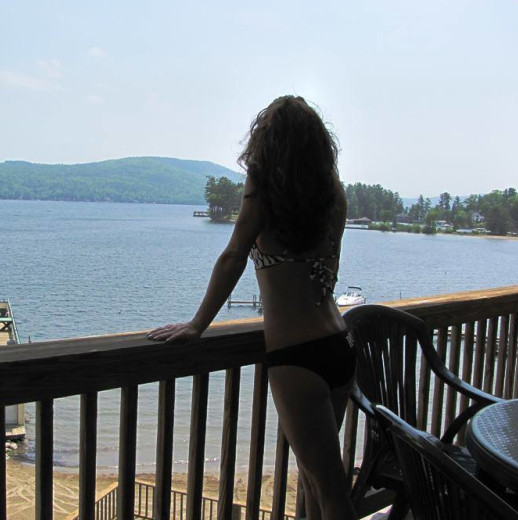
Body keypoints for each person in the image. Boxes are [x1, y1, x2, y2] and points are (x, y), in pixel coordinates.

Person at [147, 95, 356, 520]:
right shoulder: (334, 194)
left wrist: (197, 325)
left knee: (332, 492)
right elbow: (325, 272)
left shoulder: (263, 190)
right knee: (316, 481)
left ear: (268, 144)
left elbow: (233, 255)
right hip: (338, 345)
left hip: (296, 358)